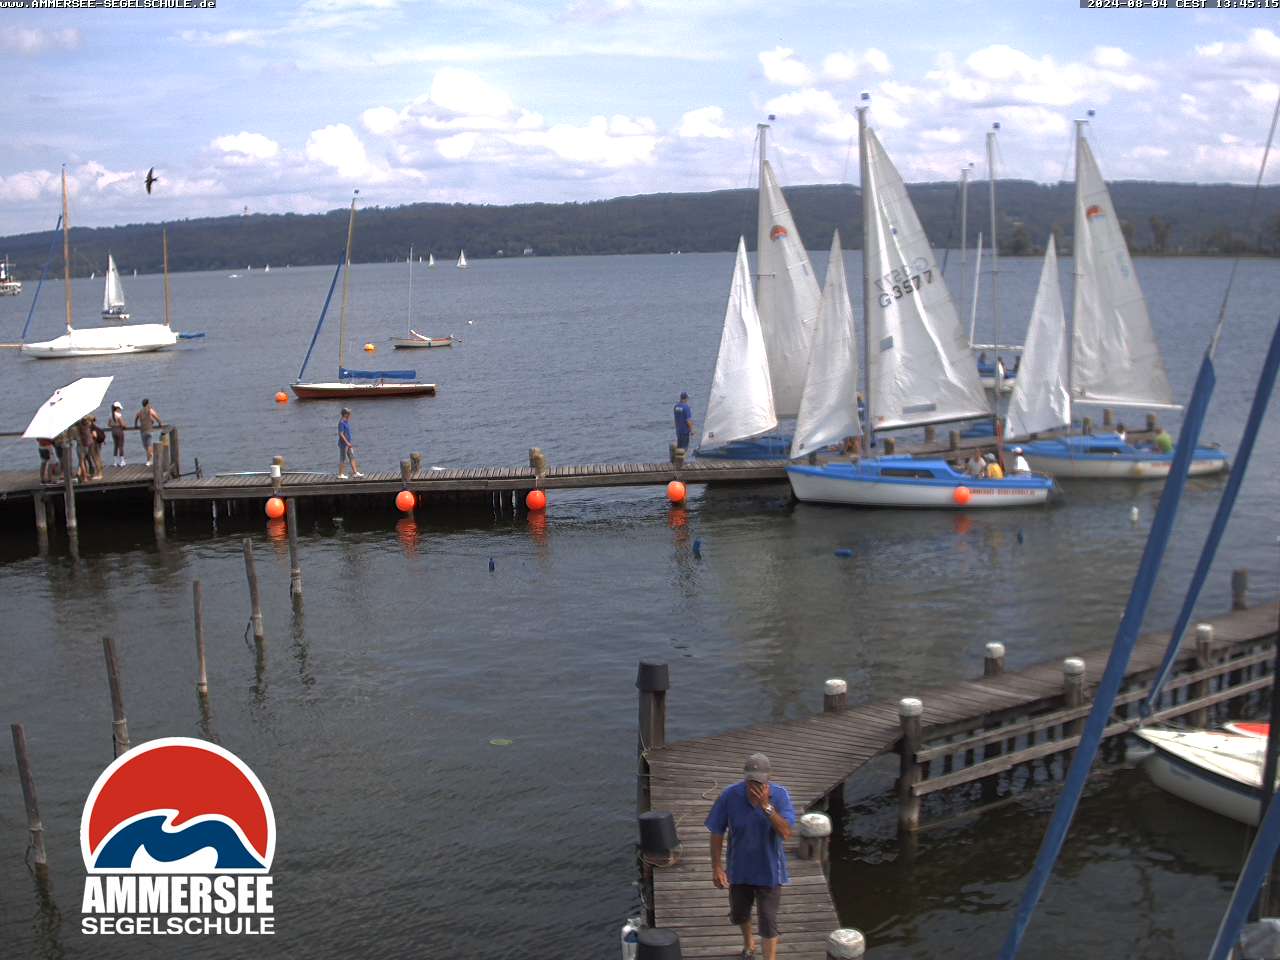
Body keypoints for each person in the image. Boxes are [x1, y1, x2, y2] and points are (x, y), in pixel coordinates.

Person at [706, 752, 796, 960]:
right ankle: (749, 943)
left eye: (759, 782)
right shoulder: (729, 796)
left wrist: (767, 807)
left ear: (768, 779)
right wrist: (717, 867)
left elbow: (785, 833)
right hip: (739, 870)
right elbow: (716, 831)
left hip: (770, 871)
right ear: (744, 778)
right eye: (750, 781)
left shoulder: (780, 796)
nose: (754, 786)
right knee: (739, 913)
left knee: (768, 921)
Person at [135, 399, 162, 467]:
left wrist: (135, 424)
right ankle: (150, 460)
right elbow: (156, 417)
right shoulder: (150, 410)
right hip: (149, 430)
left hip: (142, 430)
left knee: (146, 446)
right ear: (147, 404)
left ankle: (150, 459)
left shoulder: (140, 411)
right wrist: (160, 423)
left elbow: (136, 417)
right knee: (148, 445)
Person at [338, 408, 363, 478]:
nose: (350, 415)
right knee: (343, 458)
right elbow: (341, 434)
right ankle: (341, 474)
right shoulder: (341, 423)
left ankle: (355, 473)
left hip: (348, 443)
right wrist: (347, 443)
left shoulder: (346, 421)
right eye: (349, 413)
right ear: (345, 414)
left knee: (352, 457)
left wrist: (349, 443)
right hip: (343, 444)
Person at [110, 401, 128, 467]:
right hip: (119, 431)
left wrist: (114, 425)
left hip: (113, 431)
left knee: (115, 446)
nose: (120, 409)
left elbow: (109, 424)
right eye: (119, 408)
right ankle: (122, 461)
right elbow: (122, 424)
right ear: (117, 408)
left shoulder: (111, 415)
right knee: (121, 446)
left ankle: (115, 462)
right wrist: (125, 425)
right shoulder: (118, 415)